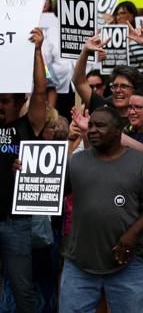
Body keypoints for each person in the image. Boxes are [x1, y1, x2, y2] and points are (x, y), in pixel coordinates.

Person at [60, 107, 143, 312]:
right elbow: (54, 190)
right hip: (79, 264)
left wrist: (131, 235)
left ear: (118, 130)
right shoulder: (78, 161)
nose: (92, 130)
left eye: (99, 125)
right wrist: (24, 171)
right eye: (90, 126)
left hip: (127, 264)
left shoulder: (140, 163)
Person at [0, 28, 46, 313]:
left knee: (22, 289)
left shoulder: (28, 126)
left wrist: (38, 51)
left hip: (16, 222)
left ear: (18, 103)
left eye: (4, 101)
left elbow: (41, 90)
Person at [73, 27, 143, 115]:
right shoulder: (104, 108)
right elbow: (79, 82)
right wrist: (85, 51)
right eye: (115, 86)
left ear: (137, 90)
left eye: (124, 86)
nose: (117, 90)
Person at [111, 1, 143, 71]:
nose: (119, 17)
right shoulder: (111, 38)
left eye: (123, 13)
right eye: (117, 14)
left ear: (133, 15)